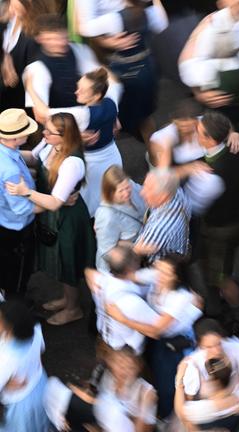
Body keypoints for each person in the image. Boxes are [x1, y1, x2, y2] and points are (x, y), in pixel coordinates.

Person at [5, 112, 95, 326]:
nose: (43, 133)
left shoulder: (71, 162)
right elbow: (33, 158)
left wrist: (25, 191)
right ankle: (67, 299)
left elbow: (55, 202)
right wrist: (9, 149)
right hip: (53, 211)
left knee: (68, 261)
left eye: (49, 131)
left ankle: (74, 309)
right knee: (62, 261)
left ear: (63, 137)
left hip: (67, 218)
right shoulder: (49, 145)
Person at [103, 254, 203, 420]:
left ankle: (166, 417)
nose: (159, 276)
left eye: (165, 273)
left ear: (176, 277)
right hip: (152, 335)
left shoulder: (181, 297)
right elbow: (126, 274)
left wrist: (122, 318)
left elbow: (157, 329)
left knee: (167, 383)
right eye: (159, 270)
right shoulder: (156, 275)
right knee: (151, 372)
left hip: (173, 342)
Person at [26, 66, 124, 216]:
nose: (76, 92)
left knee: (87, 200)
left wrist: (30, 87)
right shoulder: (111, 98)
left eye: (83, 91)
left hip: (92, 162)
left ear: (97, 95)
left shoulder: (82, 114)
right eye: (78, 87)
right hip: (111, 155)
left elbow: (41, 114)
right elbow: (115, 82)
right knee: (107, 197)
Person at [74, 0, 169, 141]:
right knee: (145, 116)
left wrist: (105, 40)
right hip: (146, 68)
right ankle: (152, 150)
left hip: (123, 70)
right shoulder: (151, 12)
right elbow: (162, 25)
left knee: (116, 113)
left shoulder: (113, 19)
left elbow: (84, 28)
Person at [180, 319, 239, 429]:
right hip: (209, 418)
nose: (216, 350)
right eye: (209, 347)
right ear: (200, 345)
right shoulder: (193, 364)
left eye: (219, 344)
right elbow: (187, 405)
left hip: (237, 411)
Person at [197, 111, 239, 289]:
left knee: (221, 278)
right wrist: (234, 134)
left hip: (221, 228)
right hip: (238, 216)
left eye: (199, 131)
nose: (195, 133)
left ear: (210, 140)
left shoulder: (210, 176)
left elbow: (196, 206)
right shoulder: (237, 149)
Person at [86, 245, 159, 354]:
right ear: (131, 267)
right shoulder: (131, 302)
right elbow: (157, 330)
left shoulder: (100, 280)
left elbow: (88, 272)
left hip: (105, 339)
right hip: (125, 353)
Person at [0, 108, 38, 299]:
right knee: (17, 277)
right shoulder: (9, 170)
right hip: (16, 231)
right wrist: (56, 203)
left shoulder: (7, 152)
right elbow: (23, 208)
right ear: (14, 138)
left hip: (4, 222)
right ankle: (16, 315)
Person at [0, 300, 49, 431]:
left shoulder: (6, 358)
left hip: (20, 403)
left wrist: (5, 384)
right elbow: (41, 350)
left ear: (9, 327)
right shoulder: (36, 330)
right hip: (40, 384)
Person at [94, 165, 146, 273]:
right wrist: (136, 247)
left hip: (138, 256)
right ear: (110, 192)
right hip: (121, 269)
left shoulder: (130, 185)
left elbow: (144, 193)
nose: (126, 193)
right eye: (121, 191)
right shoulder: (106, 216)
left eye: (127, 187)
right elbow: (107, 250)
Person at [0, 0, 50, 111]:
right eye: (10, 5)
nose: (11, 10)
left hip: (16, 100)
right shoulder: (6, 20)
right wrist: (5, 58)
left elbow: (34, 70)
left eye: (16, 8)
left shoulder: (34, 34)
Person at [135, 167, 192, 263]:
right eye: (144, 186)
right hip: (181, 245)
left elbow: (136, 251)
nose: (142, 192)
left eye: (149, 190)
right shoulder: (177, 192)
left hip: (160, 267)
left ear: (163, 196)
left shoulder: (159, 227)